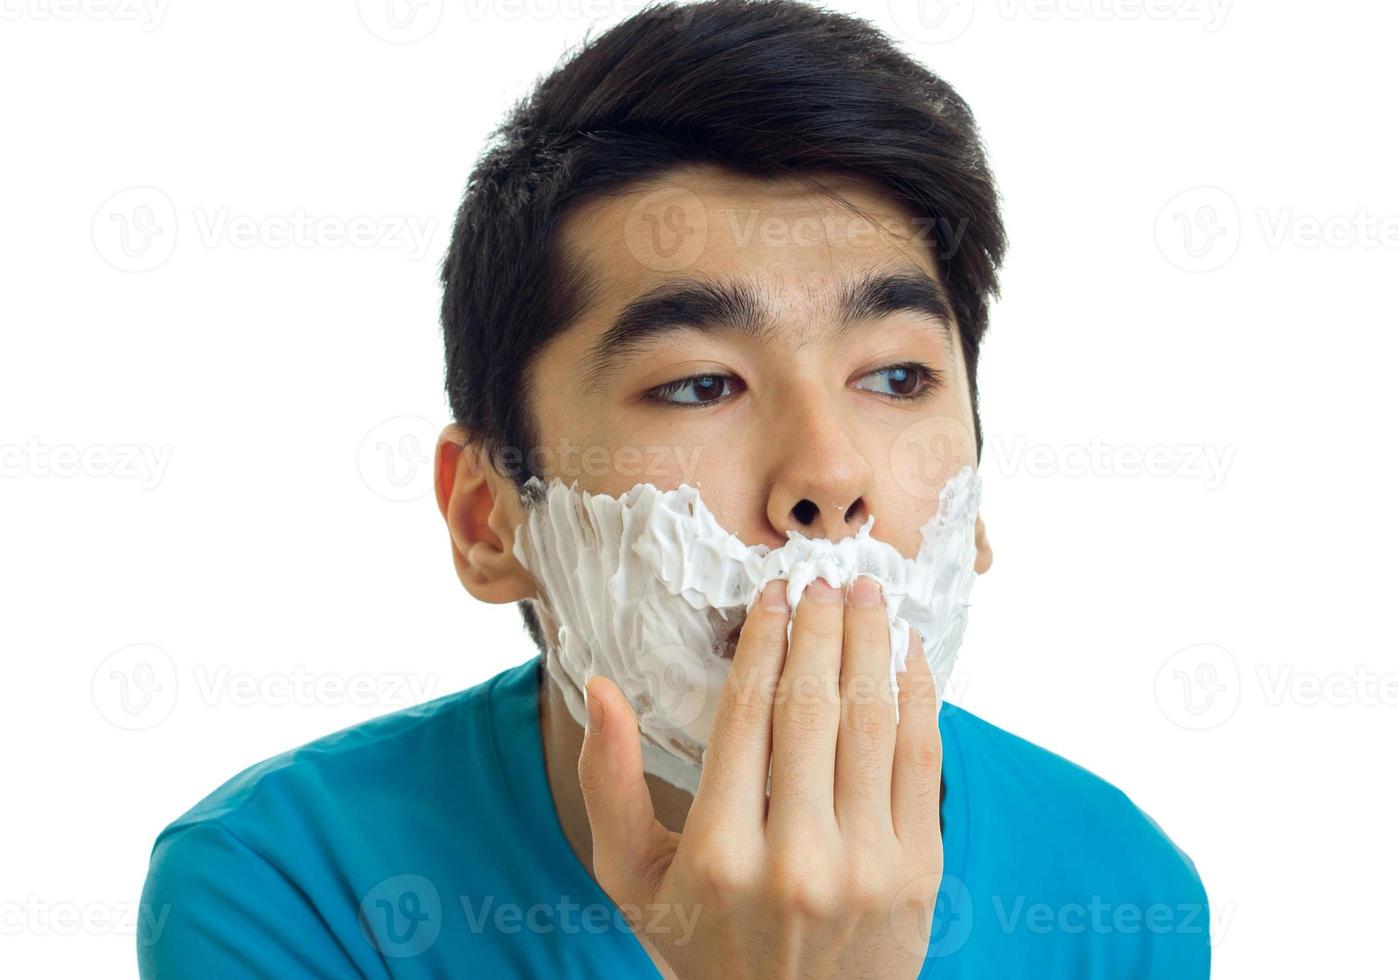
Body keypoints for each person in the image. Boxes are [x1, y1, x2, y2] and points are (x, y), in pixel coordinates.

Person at [138, 2, 1210, 976]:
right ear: (488, 517)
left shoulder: (1122, 896)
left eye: (897, 376)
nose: (830, 477)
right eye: (701, 383)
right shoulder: (286, 887)